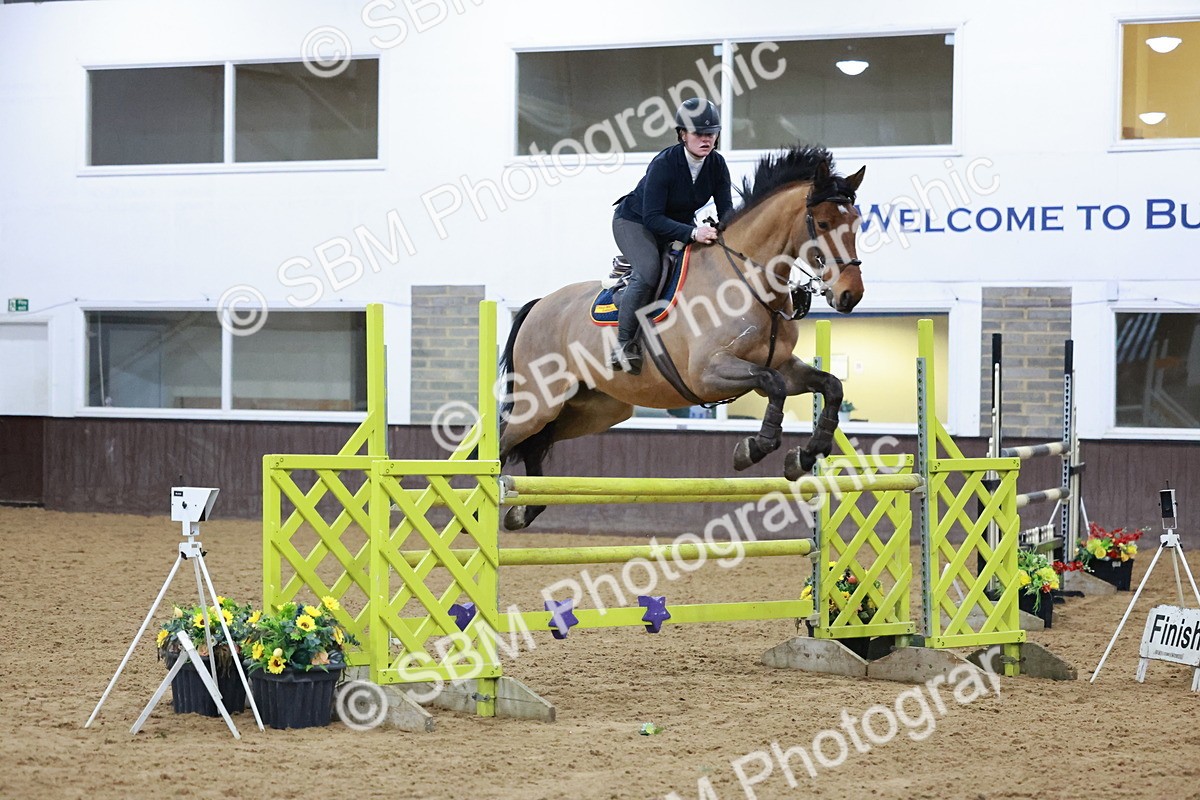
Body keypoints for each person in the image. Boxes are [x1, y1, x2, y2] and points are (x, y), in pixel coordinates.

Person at [609, 98, 733, 375]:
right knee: (649, 270)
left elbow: (727, 210)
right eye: (699, 134)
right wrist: (693, 232)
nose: (706, 139)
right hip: (635, 222)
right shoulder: (664, 164)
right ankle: (623, 345)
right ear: (682, 135)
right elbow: (652, 218)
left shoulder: (717, 164)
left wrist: (724, 229)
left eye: (711, 133)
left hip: (677, 223)